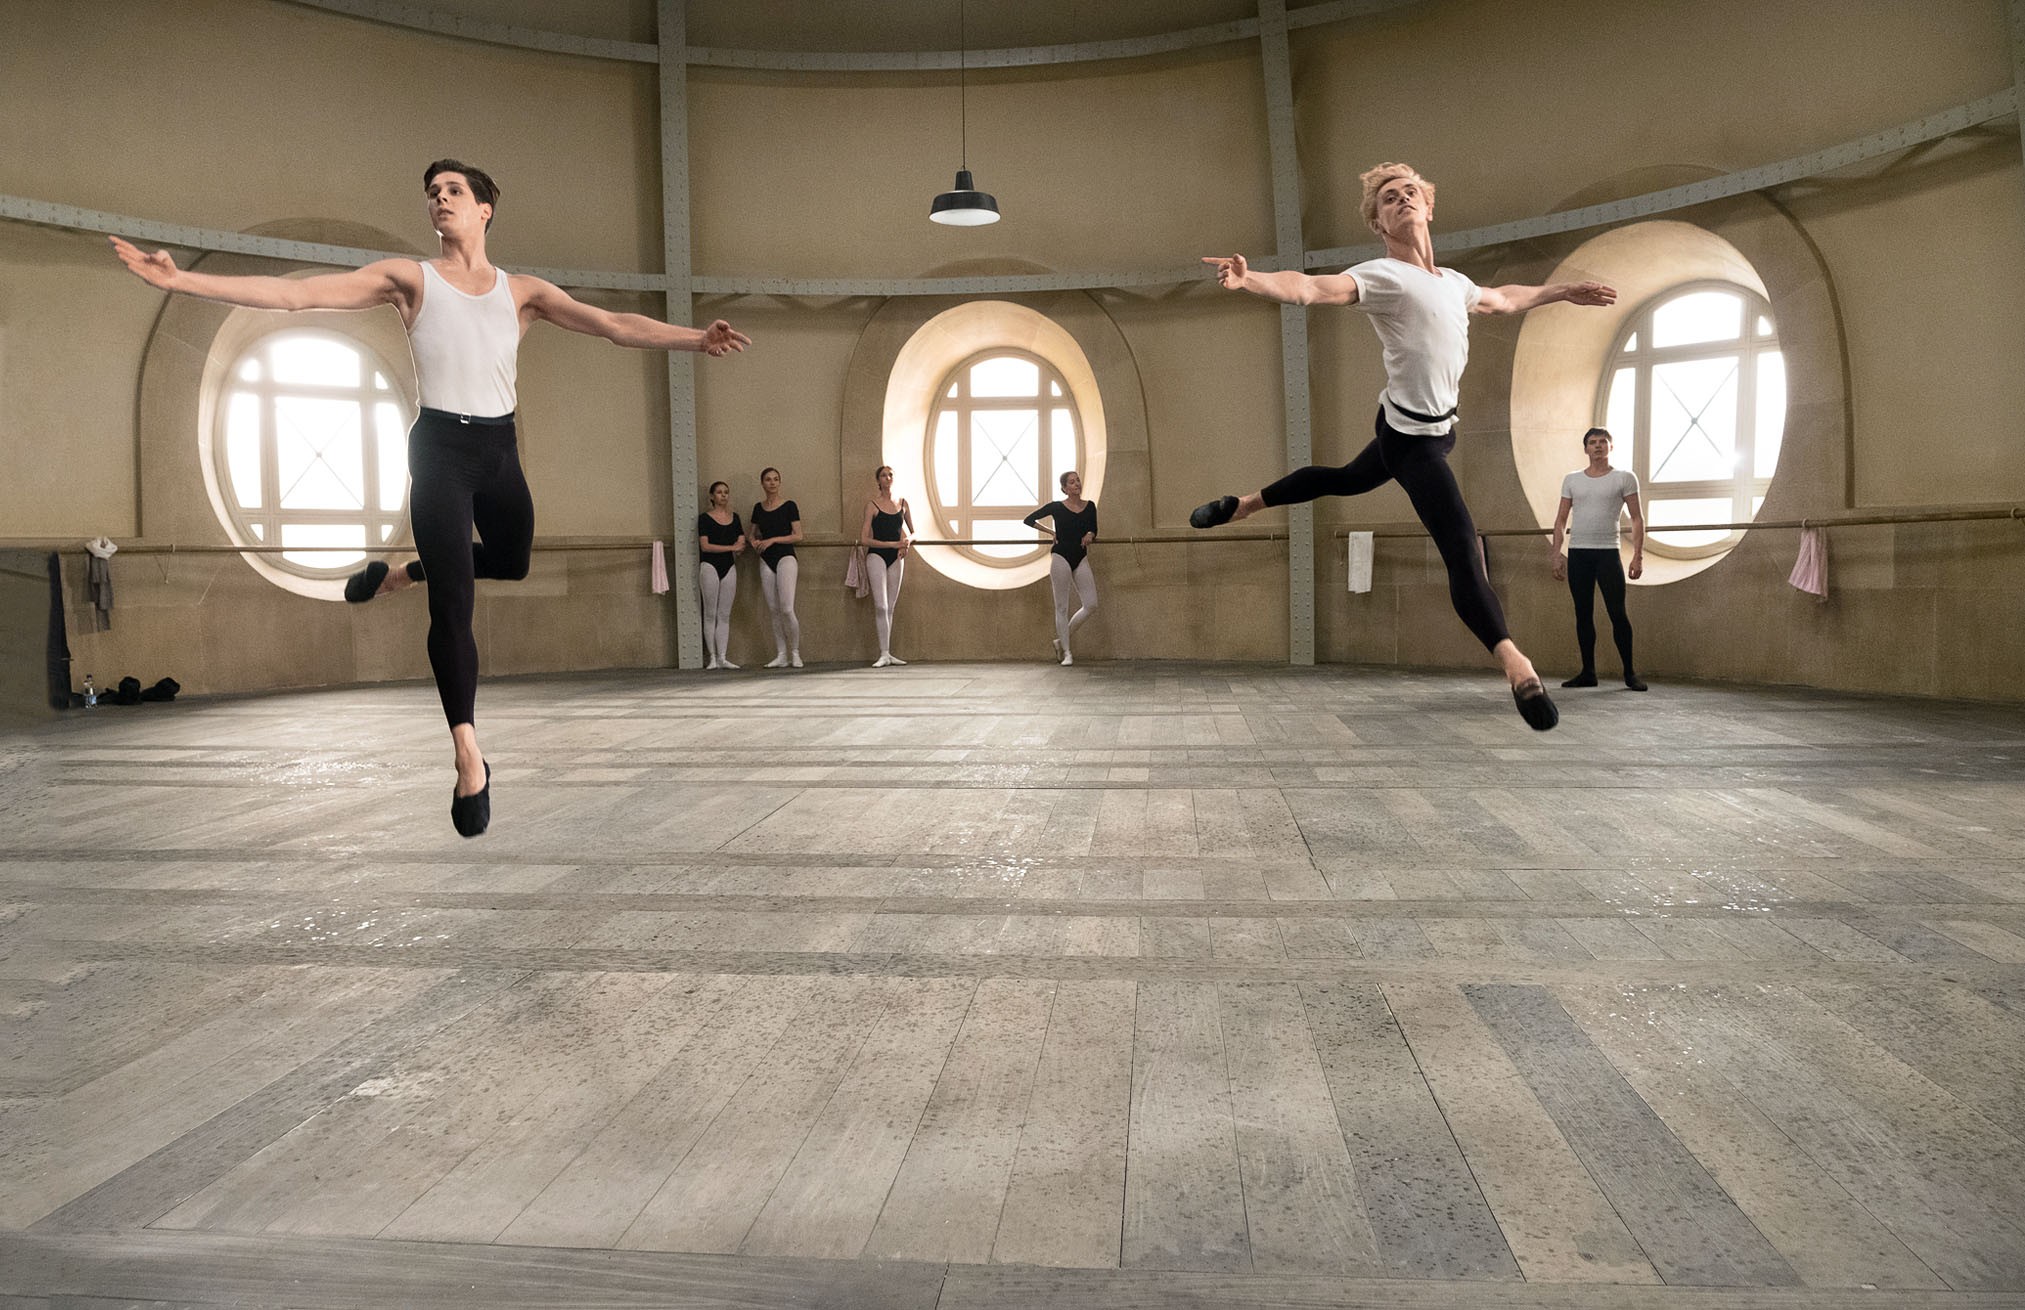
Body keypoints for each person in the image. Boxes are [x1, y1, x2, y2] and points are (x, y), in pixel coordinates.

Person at [110, 159, 749, 835]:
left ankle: (405, 573)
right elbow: (298, 295)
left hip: (498, 452)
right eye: (432, 193)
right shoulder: (410, 279)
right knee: (454, 606)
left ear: (484, 209)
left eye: (453, 191)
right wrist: (182, 280)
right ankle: (468, 754)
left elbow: (613, 324)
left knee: (512, 561)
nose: (439, 200)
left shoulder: (522, 292)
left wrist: (695, 340)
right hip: (439, 451)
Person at [1191, 161, 1616, 731]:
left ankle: (1244, 504)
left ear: (1429, 207)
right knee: (1463, 546)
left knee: (1346, 478)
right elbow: (1311, 288)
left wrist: (1561, 290)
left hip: (1438, 429)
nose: (1403, 200)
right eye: (1390, 198)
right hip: (1410, 441)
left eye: (1411, 192)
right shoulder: (1382, 276)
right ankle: (1517, 666)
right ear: (1378, 223)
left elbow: (1504, 299)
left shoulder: (1455, 283)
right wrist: (1251, 280)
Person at [1551, 427, 1647, 690]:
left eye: (1603, 442)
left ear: (1610, 447)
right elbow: (1560, 520)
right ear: (1585, 449)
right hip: (1579, 553)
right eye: (1592, 442)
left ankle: (1630, 673)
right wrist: (1556, 554)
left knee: (1618, 613)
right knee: (1583, 614)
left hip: (1608, 553)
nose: (1597, 446)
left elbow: (1637, 518)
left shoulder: (1624, 478)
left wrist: (1638, 556)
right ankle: (1588, 672)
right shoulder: (1572, 479)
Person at [1023, 471, 1099, 665]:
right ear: (1065, 488)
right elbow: (1029, 520)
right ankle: (1067, 652)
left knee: (1091, 604)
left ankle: (1060, 641)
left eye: (1078, 480)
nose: (1076, 484)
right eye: (1071, 482)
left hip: (1080, 557)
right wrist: (1051, 531)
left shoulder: (1090, 506)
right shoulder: (1056, 507)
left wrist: (1090, 534)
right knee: (1062, 606)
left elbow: (1093, 528)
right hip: (1060, 557)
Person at [748, 467, 803, 668]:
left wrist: (772, 540)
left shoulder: (789, 506)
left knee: (787, 608)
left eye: (775, 479)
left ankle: (795, 652)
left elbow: (798, 535)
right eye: (768, 479)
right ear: (762, 483)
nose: (772, 483)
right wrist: (754, 542)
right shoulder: (758, 507)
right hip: (766, 559)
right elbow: (751, 533)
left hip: (785, 556)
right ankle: (781, 654)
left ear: (780, 482)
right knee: (773, 610)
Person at [858, 466, 913, 667]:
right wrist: (893, 544)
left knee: (890, 606)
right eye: (883, 475)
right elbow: (864, 539)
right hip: (877, 555)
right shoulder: (872, 505)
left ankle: (888, 653)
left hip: (896, 557)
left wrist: (907, 542)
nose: (887, 478)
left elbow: (913, 532)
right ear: (878, 480)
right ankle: (883, 653)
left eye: (890, 475)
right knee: (881, 605)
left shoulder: (903, 503)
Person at [697, 480, 746, 670]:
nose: (723, 495)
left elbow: (741, 542)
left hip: (729, 566)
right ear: (712, 496)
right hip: (709, 565)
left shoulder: (735, 518)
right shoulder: (704, 518)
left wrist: (737, 547)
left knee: (724, 614)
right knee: (710, 613)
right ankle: (712, 657)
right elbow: (705, 546)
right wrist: (731, 548)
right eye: (719, 492)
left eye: (726, 492)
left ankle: (723, 656)